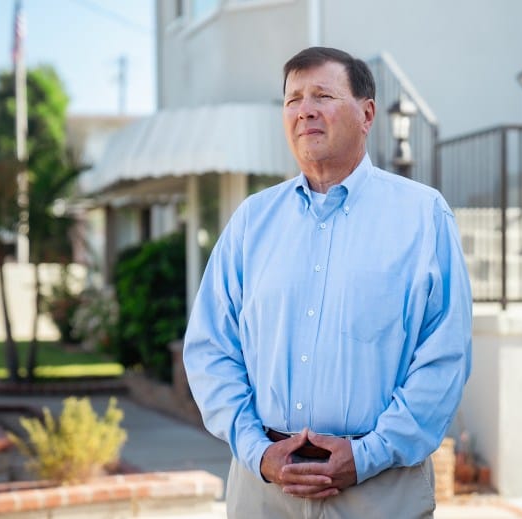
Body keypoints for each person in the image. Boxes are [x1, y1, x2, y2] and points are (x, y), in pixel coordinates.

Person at [183, 46, 472, 518]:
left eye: (322, 95)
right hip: (264, 490)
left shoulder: (423, 216)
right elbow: (212, 348)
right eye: (293, 99)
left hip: (380, 492)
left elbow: (445, 357)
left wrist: (367, 455)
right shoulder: (252, 221)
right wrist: (258, 450)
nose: (305, 110)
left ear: (367, 113)